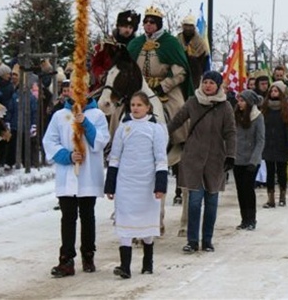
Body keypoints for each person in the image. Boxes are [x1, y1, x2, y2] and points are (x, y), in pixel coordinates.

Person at [42, 88, 111, 277]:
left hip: (88, 175)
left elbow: (100, 141)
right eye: (71, 88)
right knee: (68, 216)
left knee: (87, 215)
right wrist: (68, 156)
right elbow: (49, 141)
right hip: (67, 175)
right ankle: (66, 259)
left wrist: (86, 123)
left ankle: (88, 254)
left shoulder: (97, 115)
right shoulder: (59, 115)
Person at [167, 70, 236, 253]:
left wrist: (231, 155)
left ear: (218, 86)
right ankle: (192, 241)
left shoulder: (225, 106)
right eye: (205, 82)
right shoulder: (192, 101)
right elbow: (176, 122)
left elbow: (230, 132)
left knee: (211, 201)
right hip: (193, 158)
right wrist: (160, 136)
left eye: (212, 83)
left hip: (215, 159)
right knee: (194, 201)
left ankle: (207, 240)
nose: (207, 86)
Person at [105, 92, 168, 279]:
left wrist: (160, 186)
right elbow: (115, 157)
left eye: (139, 105)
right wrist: (110, 185)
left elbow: (160, 159)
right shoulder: (124, 127)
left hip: (146, 183)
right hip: (126, 182)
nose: (135, 108)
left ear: (148, 107)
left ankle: (148, 262)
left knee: (146, 223)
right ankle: (125, 266)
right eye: (132, 105)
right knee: (124, 221)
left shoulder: (155, 129)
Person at [128, 6, 193, 145]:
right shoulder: (136, 43)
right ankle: (113, 142)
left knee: (178, 108)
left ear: (158, 24)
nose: (148, 24)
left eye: (152, 22)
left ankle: (180, 143)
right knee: (118, 109)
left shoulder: (170, 43)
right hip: (139, 87)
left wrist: (164, 86)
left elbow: (180, 71)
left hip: (165, 88)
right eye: (146, 22)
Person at [233, 89, 265, 230]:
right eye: (238, 100)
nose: (239, 103)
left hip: (251, 161)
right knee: (240, 190)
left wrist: (254, 160)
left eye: (242, 100)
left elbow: (260, 140)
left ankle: (251, 219)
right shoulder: (235, 116)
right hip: (237, 159)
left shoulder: (257, 117)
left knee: (248, 189)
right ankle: (244, 219)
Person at [261, 81, 288, 208]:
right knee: (270, 172)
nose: (273, 93)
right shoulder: (265, 107)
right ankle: (270, 198)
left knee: (282, 171)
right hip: (268, 143)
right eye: (272, 91)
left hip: (282, 144)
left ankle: (282, 195)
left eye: (276, 91)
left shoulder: (287, 108)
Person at [90, 9, 141, 87]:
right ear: (118, 26)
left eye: (130, 27)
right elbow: (96, 64)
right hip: (106, 84)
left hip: (130, 86)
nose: (128, 30)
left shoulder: (137, 46)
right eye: (125, 26)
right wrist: (101, 75)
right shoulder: (106, 45)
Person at [177, 14, 209, 90]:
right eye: (186, 25)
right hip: (179, 71)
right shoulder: (176, 40)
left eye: (190, 26)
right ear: (183, 26)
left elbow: (204, 59)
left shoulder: (200, 42)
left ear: (194, 27)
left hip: (195, 72)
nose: (188, 28)